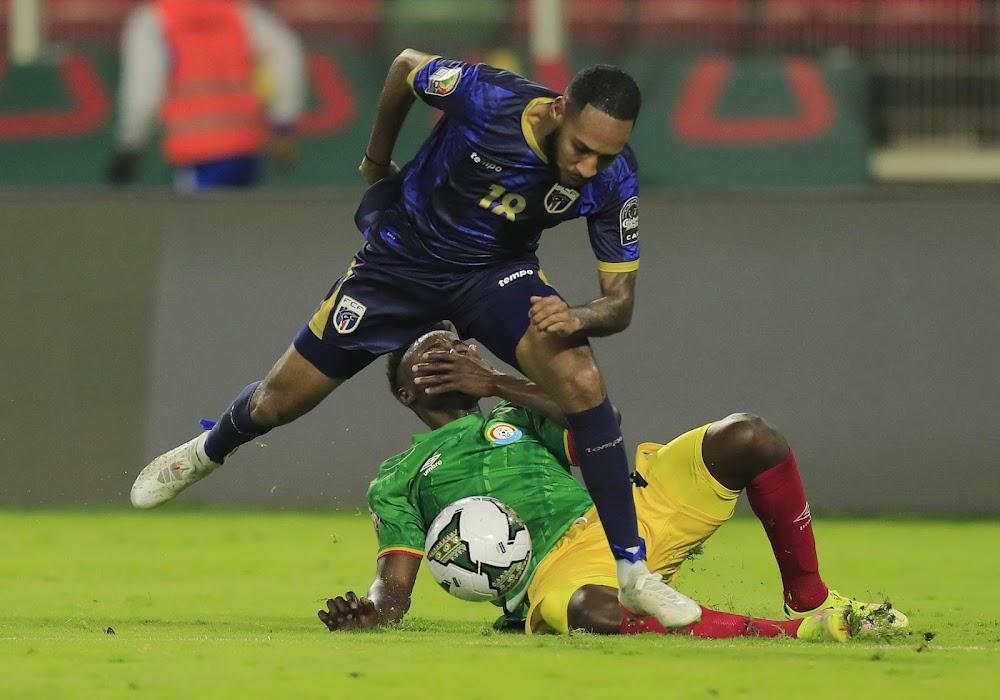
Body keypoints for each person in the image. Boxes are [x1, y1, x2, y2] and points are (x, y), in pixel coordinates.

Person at [131, 51, 695, 627]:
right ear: (558, 111)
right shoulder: (488, 97)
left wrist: (576, 316)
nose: (590, 167)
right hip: (398, 267)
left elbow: (618, 305)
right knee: (279, 401)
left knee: (582, 380)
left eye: (606, 155)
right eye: (582, 148)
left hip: (493, 276)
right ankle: (206, 452)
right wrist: (377, 159)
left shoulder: (613, 178)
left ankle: (633, 572)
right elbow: (404, 67)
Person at [317, 329, 909, 640]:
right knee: (590, 611)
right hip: (559, 571)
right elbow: (393, 591)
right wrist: (370, 614)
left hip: (626, 514)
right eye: (431, 352)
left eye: (456, 343)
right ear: (407, 392)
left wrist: (496, 381)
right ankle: (796, 634)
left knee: (749, 436)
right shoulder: (396, 477)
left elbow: (602, 423)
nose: (451, 349)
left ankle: (809, 598)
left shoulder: (517, 412)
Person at [107, 0, 305, 190]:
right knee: (240, 213)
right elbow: (285, 52)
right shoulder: (239, 12)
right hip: (244, 150)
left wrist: (131, 144)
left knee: (193, 214)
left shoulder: (153, 19)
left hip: (195, 152)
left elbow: (143, 91)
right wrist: (283, 124)